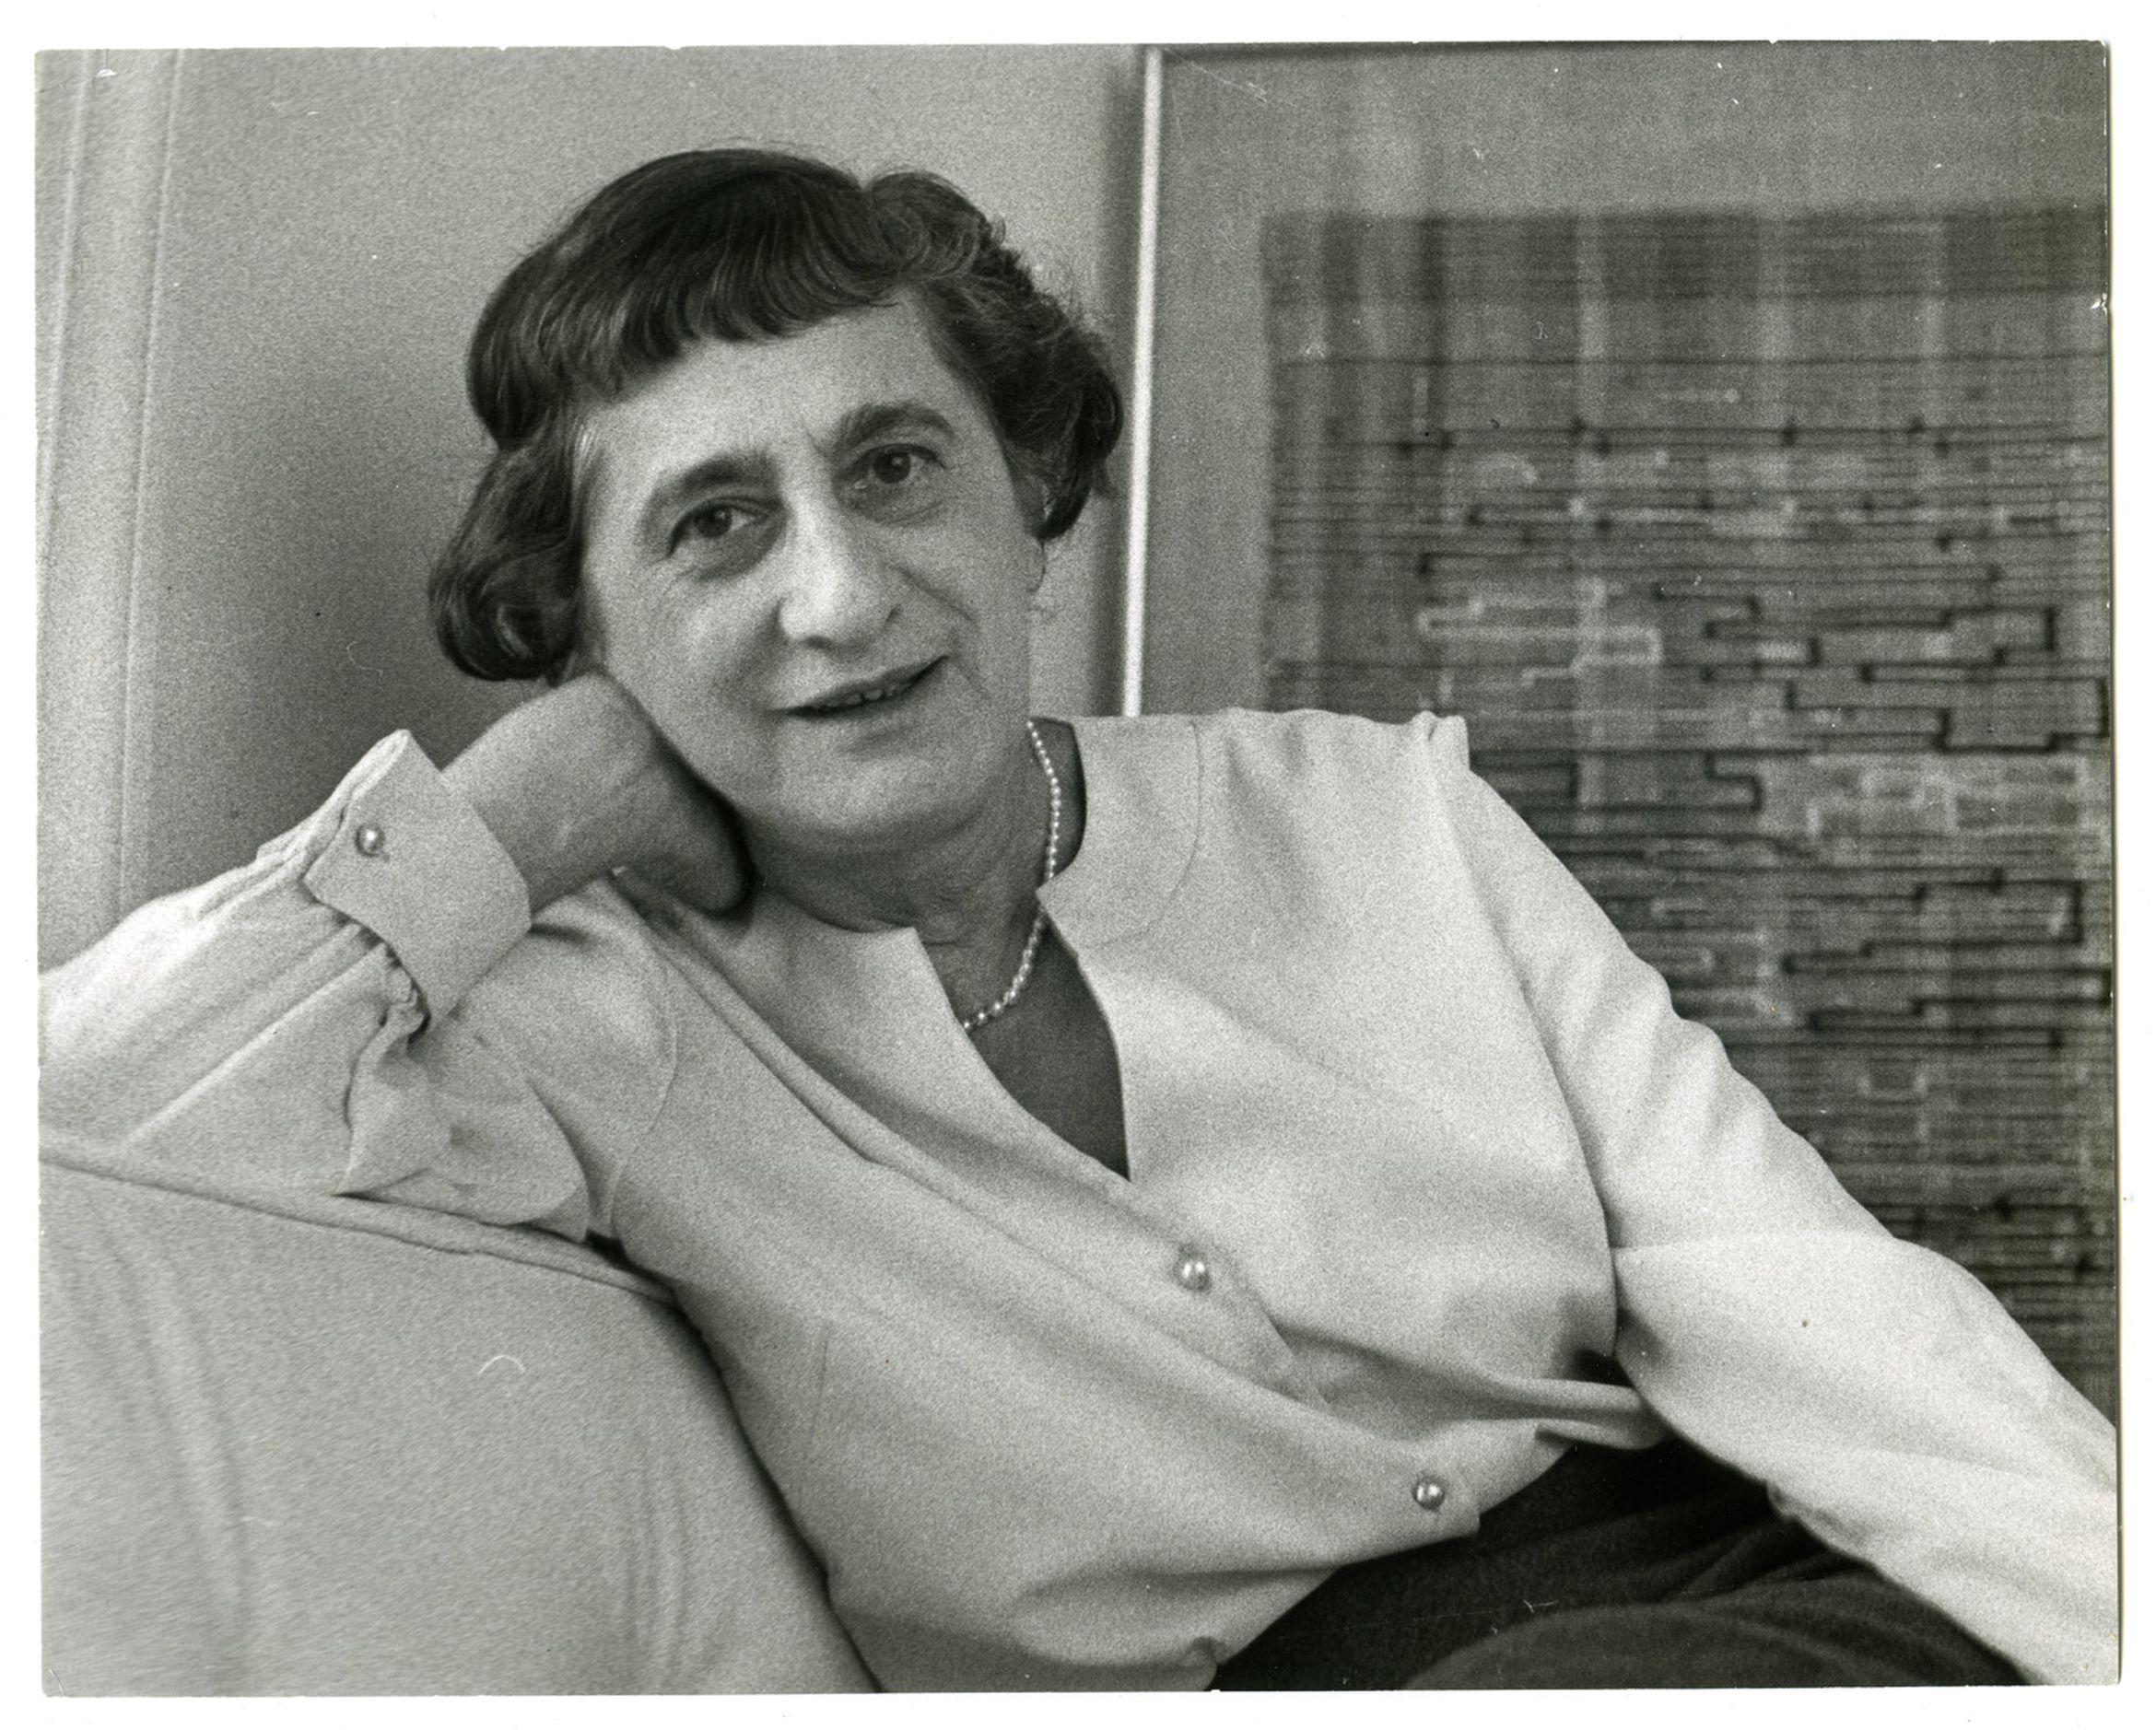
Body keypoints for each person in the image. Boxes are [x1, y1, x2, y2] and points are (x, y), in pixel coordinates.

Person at [41, 148, 2115, 1690]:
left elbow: (1822, 1313)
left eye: (898, 467)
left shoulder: (1379, 815)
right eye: (716, 527)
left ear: (1027, 487)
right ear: (589, 627)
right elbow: (86, 1137)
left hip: (1759, 1627)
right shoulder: (595, 1028)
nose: (842, 594)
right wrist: (532, 801)